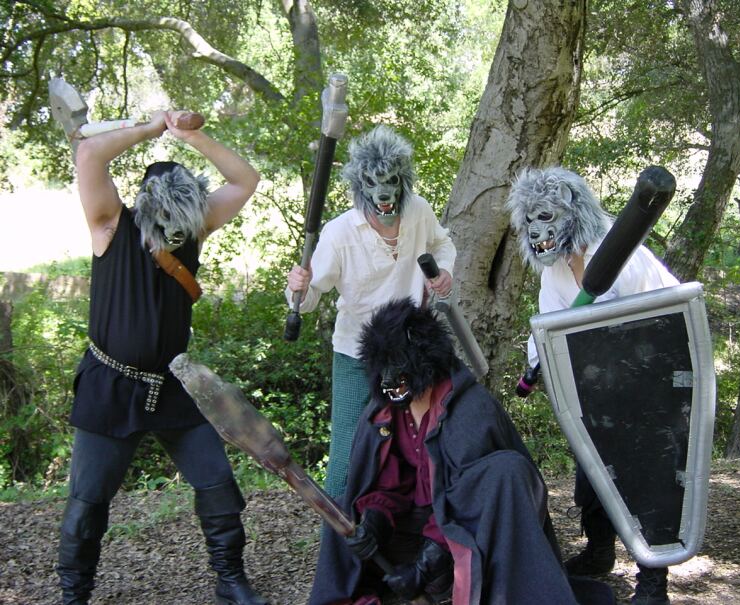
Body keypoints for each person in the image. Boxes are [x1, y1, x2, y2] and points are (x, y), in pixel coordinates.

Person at [56, 110, 268, 605]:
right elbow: (89, 154)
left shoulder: (194, 232)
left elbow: (246, 179)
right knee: (88, 502)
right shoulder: (111, 224)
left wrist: (190, 135)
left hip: (172, 384)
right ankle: (74, 595)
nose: (174, 226)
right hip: (110, 385)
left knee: (217, 484)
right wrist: (153, 127)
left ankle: (230, 581)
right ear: (148, 205)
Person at [308, 298, 614, 605]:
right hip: (410, 531)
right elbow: (387, 483)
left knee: (506, 470)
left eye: (396, 366)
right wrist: (374, 522)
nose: (389, 380)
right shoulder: (385, 413)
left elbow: (471, 506)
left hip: (460, 541)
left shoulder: (470, 409)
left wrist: (425, 567)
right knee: (342, 511)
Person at [506, 166, 681, 605]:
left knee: (645, 476)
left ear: (570, 213)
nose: (538, 230)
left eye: (546, 216)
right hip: (598, 386)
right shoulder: (555, 272)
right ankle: (600, 550)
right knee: (594, 467)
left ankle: (653, 580)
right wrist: (535, 366)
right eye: (530, 220)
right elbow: (548, 325)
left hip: (649, 382)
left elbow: (660, 317)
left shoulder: (622, 254)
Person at [286, 125, 456, 498]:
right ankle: (336, 528)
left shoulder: (418, 211)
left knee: (420, 442)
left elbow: (443, 244)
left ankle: (416, 524)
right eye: (374, 184)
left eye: (391, 182)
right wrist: (298, 287)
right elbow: (309, 298)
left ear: (402, 181)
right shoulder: (339, 233)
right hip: (356, 353)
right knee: (348, 450)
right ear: (360, 186)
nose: (383, 193)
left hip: (411, 350)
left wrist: (443, 272)